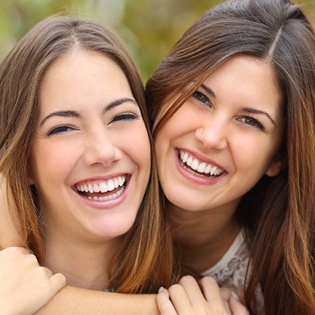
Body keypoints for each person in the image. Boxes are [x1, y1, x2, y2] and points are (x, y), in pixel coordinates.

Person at [3, 0, 315, 313]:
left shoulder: (266, 280)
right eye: (200, 97)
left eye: (250, 120)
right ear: (161, 94)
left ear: (281, 156)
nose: (210, 136)